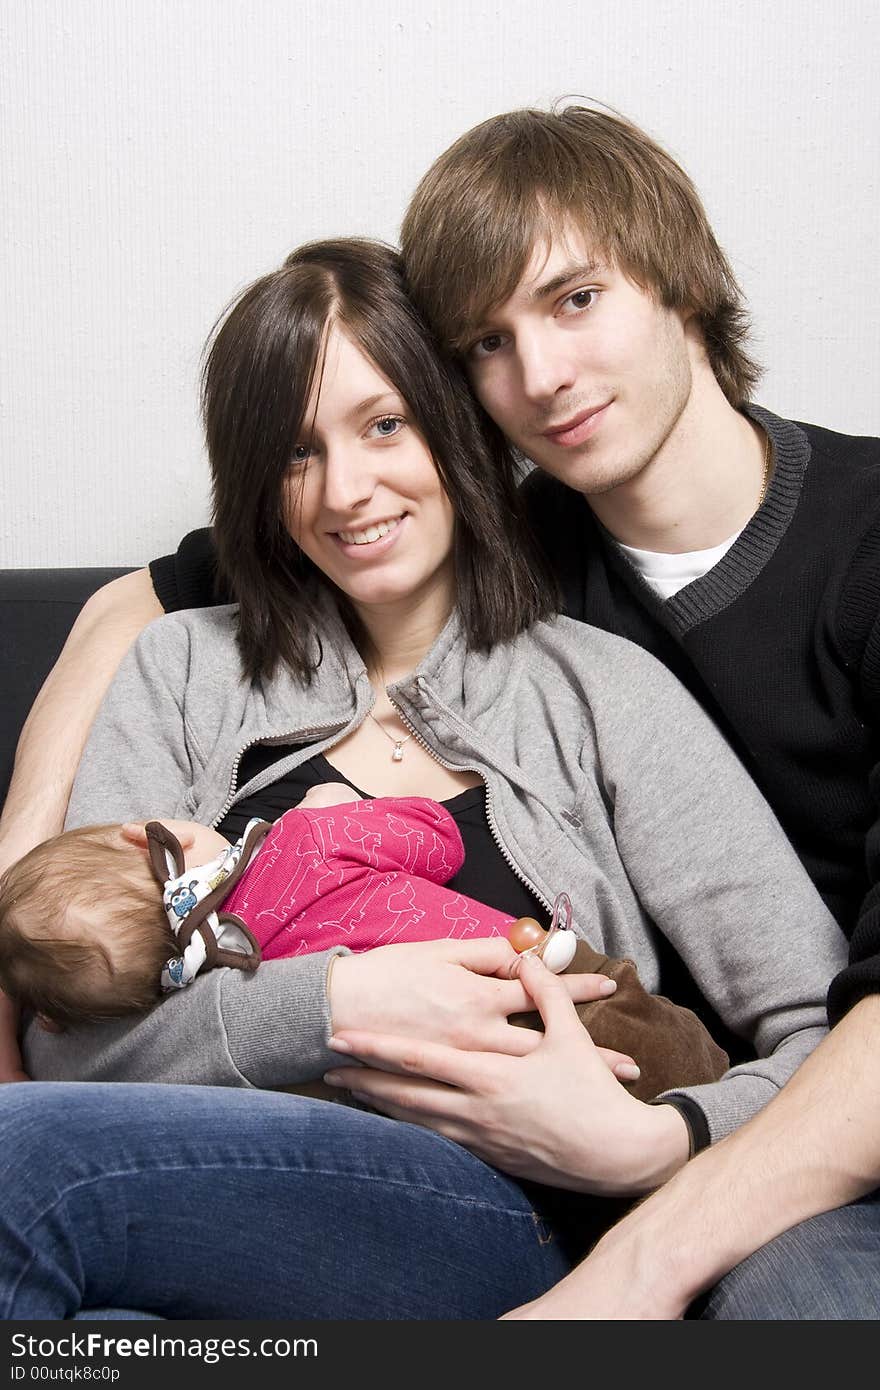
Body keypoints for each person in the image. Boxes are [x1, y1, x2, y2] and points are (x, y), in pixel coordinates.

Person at [0, 237, 845, 1320]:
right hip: (218, 1198)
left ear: (457, 429)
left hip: (516, 1213)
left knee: (21, 1171)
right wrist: (336, 1003)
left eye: (385, 424)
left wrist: (657, 1137)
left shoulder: (599, 692)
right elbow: (68, 1045)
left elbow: (815, 1029)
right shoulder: (179, 671)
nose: (346, 491)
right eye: (296, 452)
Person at [0, 785, 727, 1102]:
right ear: (142, 833)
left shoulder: (229, 975)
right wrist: (345, 809)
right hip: (558, 981)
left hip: (467, 1077)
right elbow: (437, 842)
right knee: (684, 1066)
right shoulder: (304, 838)